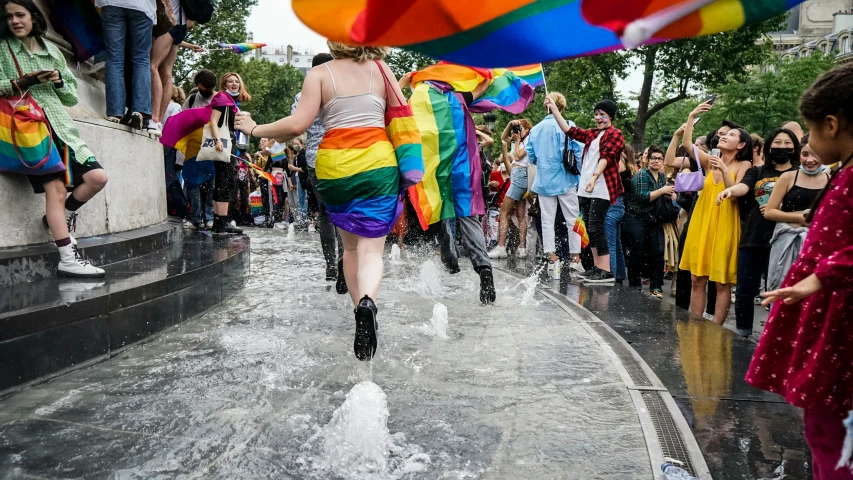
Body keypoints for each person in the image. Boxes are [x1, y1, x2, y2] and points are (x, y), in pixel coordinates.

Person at [235, 42, 409, 361]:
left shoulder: (319, 73)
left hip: (335, 167)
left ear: (334, 40)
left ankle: (359, 309)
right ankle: (369, 301)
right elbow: (401, 115)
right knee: (372, 250)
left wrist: (254, 127)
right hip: (378, 164)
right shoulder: (382, 69)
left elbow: (296, 125)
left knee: (352, 248)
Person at [747, 63, 853, 480]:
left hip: (839, 321)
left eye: (807, 132)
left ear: (831, 124)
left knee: (831, 427)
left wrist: (821, 275)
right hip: (828, 314)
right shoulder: (843, 171)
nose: (804, 143)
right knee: (821, 424)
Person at [1, 0, 109, 276]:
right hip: (29, 131)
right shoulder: (3, 49)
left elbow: (71, 96)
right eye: (9, 16)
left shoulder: (52, 52)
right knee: (57, 190)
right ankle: (68, 258)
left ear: (34, 16)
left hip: (62, 128)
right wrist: (25, 82)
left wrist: (59, 79)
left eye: (20, 15)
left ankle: (58, 217)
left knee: (97, 178)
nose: (15, 21)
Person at [716, 129, 800, 337]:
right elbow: (743, 187)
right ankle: (742, 334)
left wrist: (781, 208)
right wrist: (730, 191)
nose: (782, 147)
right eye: (777, 143)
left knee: (779, 290)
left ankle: (776, 335)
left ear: (795, 147)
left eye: (787, 143)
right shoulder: (758, 172)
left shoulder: (800, 175)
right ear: (769, 147)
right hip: (753, 237)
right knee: (745, 291)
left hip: (785, 241)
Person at [680, 100, 753, 325]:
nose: (724, 136)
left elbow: (735, 191)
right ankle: (695, 323)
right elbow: (687, 145)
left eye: (731, 135)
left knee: (722, 282)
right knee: (696, 279)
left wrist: (723, 169)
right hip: (703, 221)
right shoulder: (711, 161)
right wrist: (691, 117)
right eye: (724, 134)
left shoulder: (744, 165)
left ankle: (716, 328)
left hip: (725, 223)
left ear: (741, 145)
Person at [545, 98, 626, 284]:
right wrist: (555, 109)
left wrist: (594, 177)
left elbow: (607, 157)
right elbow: (569, 130)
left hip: (601, 187)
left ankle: (606, 270)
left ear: (610, 116)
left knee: (597, 227)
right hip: (586, 188)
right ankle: (596, 268)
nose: (598, 118)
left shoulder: (616, 134)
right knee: (589, 228)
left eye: (602, 115)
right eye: (596, 114)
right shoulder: (592, 134)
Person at [292, 52, 343, 286]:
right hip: (344, 157)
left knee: (325, 214)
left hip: (315, 160)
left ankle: (331, 266)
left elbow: (295, 126)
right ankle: (345, 260)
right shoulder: (342, 92)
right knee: (344, 211)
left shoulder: (302, 96)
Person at [525, 92, 583, 277]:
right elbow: (578, 152)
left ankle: (552, 258)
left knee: (547, 221)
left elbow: (531, 156)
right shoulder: (569, 126)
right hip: (566, 180)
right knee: (572, 219)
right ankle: (575, 259)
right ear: (563, 107)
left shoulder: (535, 129)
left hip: (544, 181)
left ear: (546, 106)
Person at [764, 135, 830, 293]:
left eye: (815, 155)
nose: (810, 160)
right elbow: (769, 212)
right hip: (786, 241)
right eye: (805, 154)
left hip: (815, 242)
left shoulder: (830, 178)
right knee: (782, 288)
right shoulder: (788, 177)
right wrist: (799, 217)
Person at [622, 145, 673, 297]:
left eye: (659, 159)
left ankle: (656, 287)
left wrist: (670, 194)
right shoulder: (641, 175)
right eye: (653, 158)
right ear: (647, 160)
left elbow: (659, 196)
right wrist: (662, 191)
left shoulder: (663, 177)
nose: (656, 161)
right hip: (636, 217)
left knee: (658, 252)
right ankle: (634, 285)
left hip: (654, 218)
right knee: (637, 252)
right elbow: (642, 196)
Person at [96, 0, 155, 129]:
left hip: (110, 4)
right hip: (143, 6)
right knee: (141, 60)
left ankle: (115, 113)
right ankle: (139, 111)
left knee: (114, 59)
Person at [148, 0, 203, 134]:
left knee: (152, 66)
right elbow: (190, 23)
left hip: (167, 24)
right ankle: (159, 121)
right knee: (166, 72)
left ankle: (154, 118)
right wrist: (188, 45)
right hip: (178, 28)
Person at [208, 72, 250, 235]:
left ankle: (219, 222)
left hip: (230, 145)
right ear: (224, 84)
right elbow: (213, 121)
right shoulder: (222, 98)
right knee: (224, 181)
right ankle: (222, 221)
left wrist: (243, 151)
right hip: (223, 144)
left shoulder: (231, 101)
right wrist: (217, 140)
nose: (234, 84)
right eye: (230, 81)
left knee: (224, 181)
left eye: (237, 82)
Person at [488, 118, 532, 259]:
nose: (517, 132)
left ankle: (501, 246)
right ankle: (522, 248)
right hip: (518, 175)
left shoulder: (530, 140)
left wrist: (518, 139)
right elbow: (503, 138)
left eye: (521, 129)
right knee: (520, 215)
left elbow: (518, 156)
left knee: (504, 211)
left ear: (528, 130)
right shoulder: (520, 140)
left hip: (521, 175)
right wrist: (510, 125)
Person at [181, 70, 216, 230]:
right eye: (202, 87)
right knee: (192, 184)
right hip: (193, 148)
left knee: (211, 184)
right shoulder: (192, 99)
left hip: (213, 148)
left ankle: (209, 217)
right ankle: (195, 217)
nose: (205, 91)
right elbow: (181, 120)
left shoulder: (219, 99)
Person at [608, 145, 637, 284]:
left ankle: (611, 274)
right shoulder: (628, 166)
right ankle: (619, 274)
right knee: (617, 243)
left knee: (610, 243)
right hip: (620, 205)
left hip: (613, 204)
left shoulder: (618, 163)